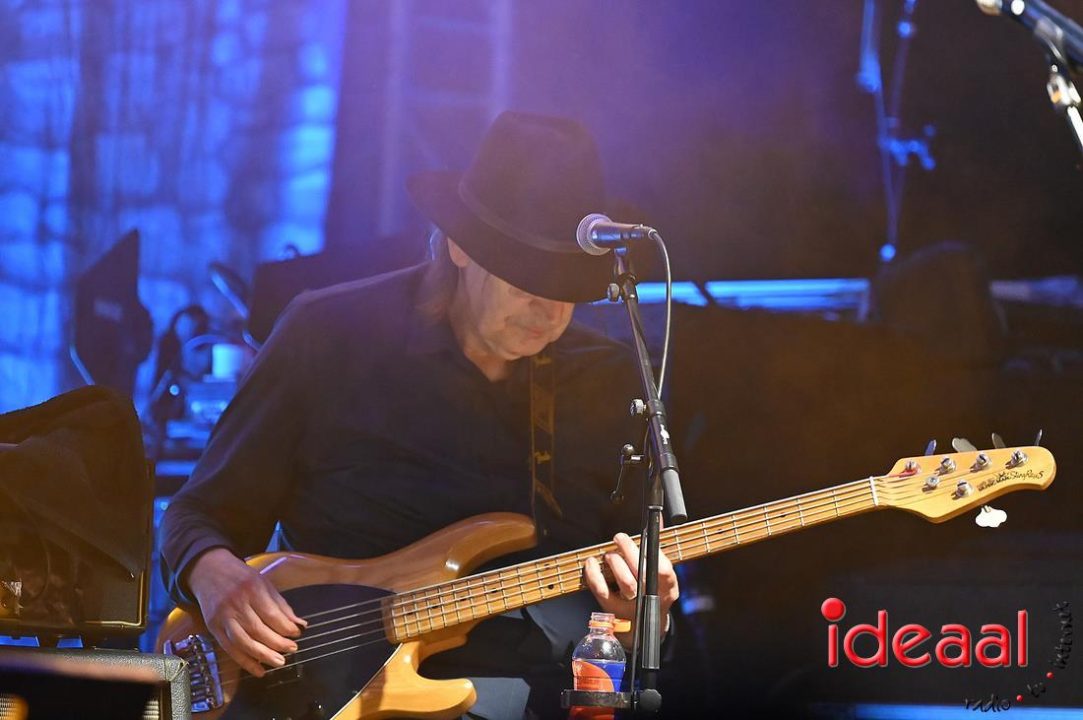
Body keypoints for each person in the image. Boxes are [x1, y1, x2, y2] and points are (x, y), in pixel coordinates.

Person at [161, 111, 679, 719]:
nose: (549, 311)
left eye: (568, 288)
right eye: (526, 281)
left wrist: (647, 616)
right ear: (460, 246)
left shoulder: (610, 378)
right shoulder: (330, 334)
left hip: (541, 693)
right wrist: (213, 573)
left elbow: (632, 595)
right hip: (319, 690)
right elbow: (198, 513)